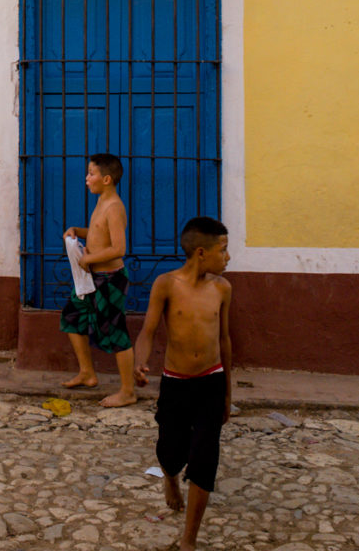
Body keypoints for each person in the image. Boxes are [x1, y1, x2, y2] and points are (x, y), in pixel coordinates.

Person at [133, 216, 233, 551]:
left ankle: (189, 539)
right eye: (224, 250)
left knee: (205, 459)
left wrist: (227, 393)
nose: (228, 257)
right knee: (170, 449)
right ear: (201, 252)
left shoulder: (222, 289)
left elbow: (225, 340)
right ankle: (170, 478)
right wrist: (140, 361)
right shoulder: (166, 284)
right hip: (176, 383)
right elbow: (148, 331)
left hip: (212, 381)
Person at [60, 153, 137, 407]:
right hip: (90, 278)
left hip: (109, 280)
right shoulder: (101, 201)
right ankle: (87, 373)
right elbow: (96, 234)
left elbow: (119, 248)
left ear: (106, 179)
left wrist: (90, 260)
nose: (86, 178)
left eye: (91, 174)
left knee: (116, 333)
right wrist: (76, 231)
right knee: (72, 317)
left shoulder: (114, 206)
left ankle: (127, 391)